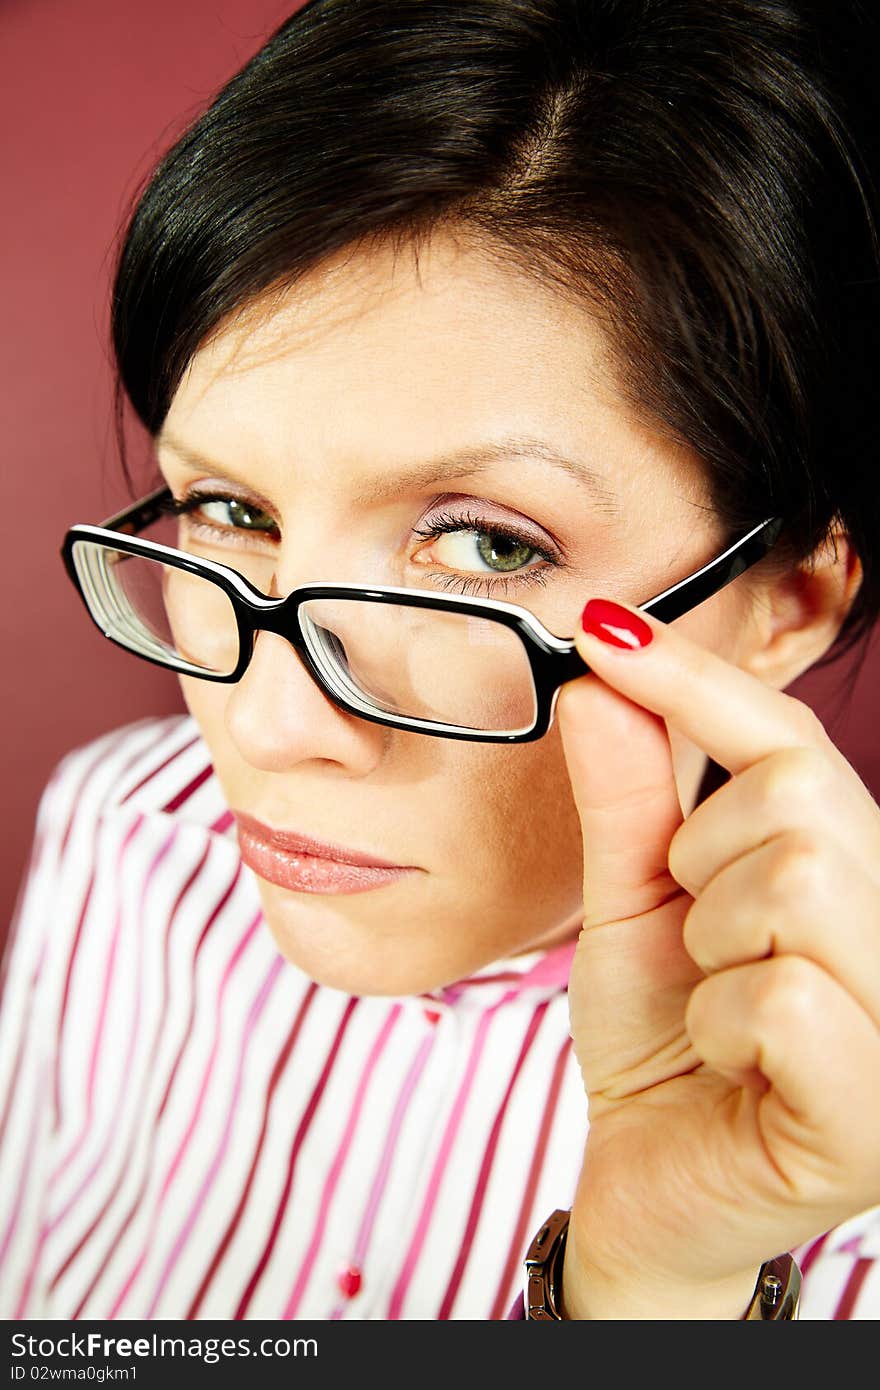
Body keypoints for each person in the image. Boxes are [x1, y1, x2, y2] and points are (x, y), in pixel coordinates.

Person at [2, 0, 879, 1321]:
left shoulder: (834, 1129)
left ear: (790, 597)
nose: (276, 722)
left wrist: (658, 1288)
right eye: (233, 511)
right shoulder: (124, 831)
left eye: (480, 544)